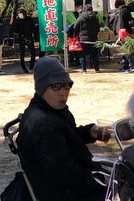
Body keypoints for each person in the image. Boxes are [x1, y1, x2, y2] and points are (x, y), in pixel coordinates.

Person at [16, 57, 111, 200]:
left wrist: (90, 132)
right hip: (59, 192)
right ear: (42, 87)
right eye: (56, 86)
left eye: (66, 86)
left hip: (69, 180)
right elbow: (63, 173)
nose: (63, 92)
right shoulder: (43, 123)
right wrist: (99, 179)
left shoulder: (51, 109)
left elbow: (66, 136)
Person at [69, 5, 100, 74]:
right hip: (93, 39)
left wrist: (76, 34)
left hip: (83, 40)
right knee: (94, 55)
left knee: (82, 55)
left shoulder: (81, 17)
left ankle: (84, 70)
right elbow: (98, 28)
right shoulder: (95, 17)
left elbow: (75, 27)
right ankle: (97, 69)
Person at [115, 0, 134, 73]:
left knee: (125, 50)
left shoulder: (123, 11)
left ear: (118, 5)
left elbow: (123, 23)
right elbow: (131, 20)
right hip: (127, 31)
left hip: (123, 31)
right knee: (124, 49)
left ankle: (132, 65)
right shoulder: (127, 10)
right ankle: (125, 65)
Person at [14, 8, 38, 73]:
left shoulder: (29, 19)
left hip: (29, 38)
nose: (19, 15)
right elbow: (15, 31)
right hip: (21, 39)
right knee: (22, 54)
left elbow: (33, 28)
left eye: (20, 13)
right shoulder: (17, 21)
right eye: (18, 14)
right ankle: (23, 68)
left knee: (33, 53)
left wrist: (36, 37)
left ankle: (31, 67)